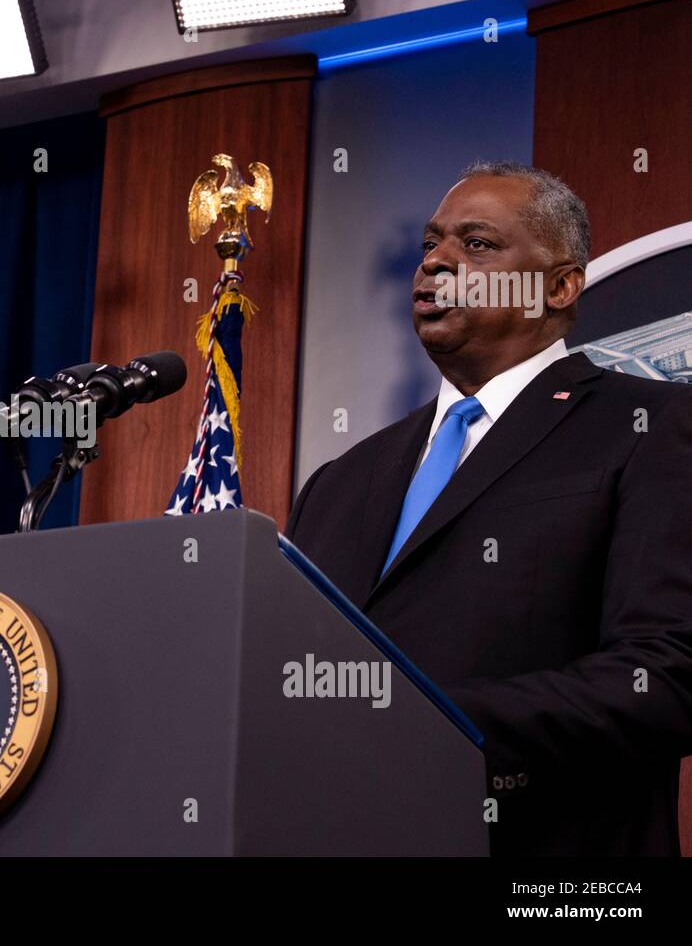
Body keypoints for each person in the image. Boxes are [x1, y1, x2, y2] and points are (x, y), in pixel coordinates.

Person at [286, 161, 692, 856]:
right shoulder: (340, 480)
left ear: (560, 285)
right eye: (429, 245)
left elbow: (667, 672)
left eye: (476, 245)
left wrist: (433, 719)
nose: (436, 263)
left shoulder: (651, 426)